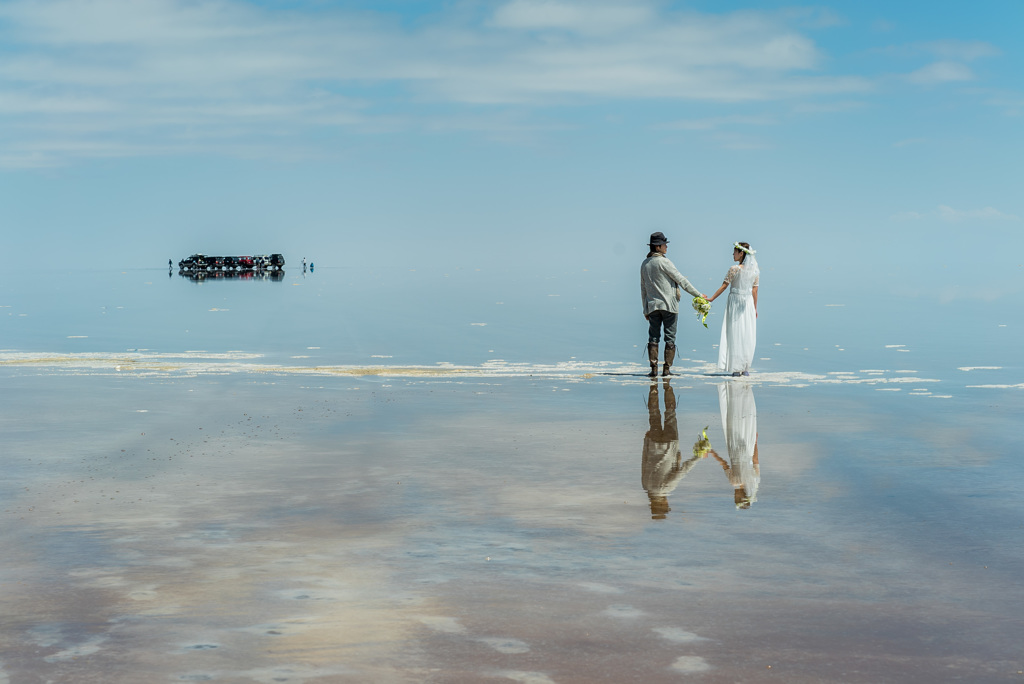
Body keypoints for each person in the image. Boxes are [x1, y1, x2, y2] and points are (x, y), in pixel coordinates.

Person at [640, 232, 707, 378]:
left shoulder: (645, 264)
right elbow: (681, 280)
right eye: (664, 245)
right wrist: (699, 295)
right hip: (669, 306)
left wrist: (645, 309)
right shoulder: (665, 262)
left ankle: (653, 370)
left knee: (653, 337)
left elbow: (643, 288)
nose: (666, 247)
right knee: (670, 337)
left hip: (652, 306)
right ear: (658, 247)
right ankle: (666, 370)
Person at [706, 242, 759, 376]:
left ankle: (736, 367)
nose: (732, 254)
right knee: (746, 333)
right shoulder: (754, 271)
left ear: (741, 253)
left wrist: (712, 298)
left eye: (734, 252)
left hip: (735, 301)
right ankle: (745, 368)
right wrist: (754, 308)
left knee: (735, 332)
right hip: (747, 303)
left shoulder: (734, 269)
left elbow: (724, 286)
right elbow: (754, 291)